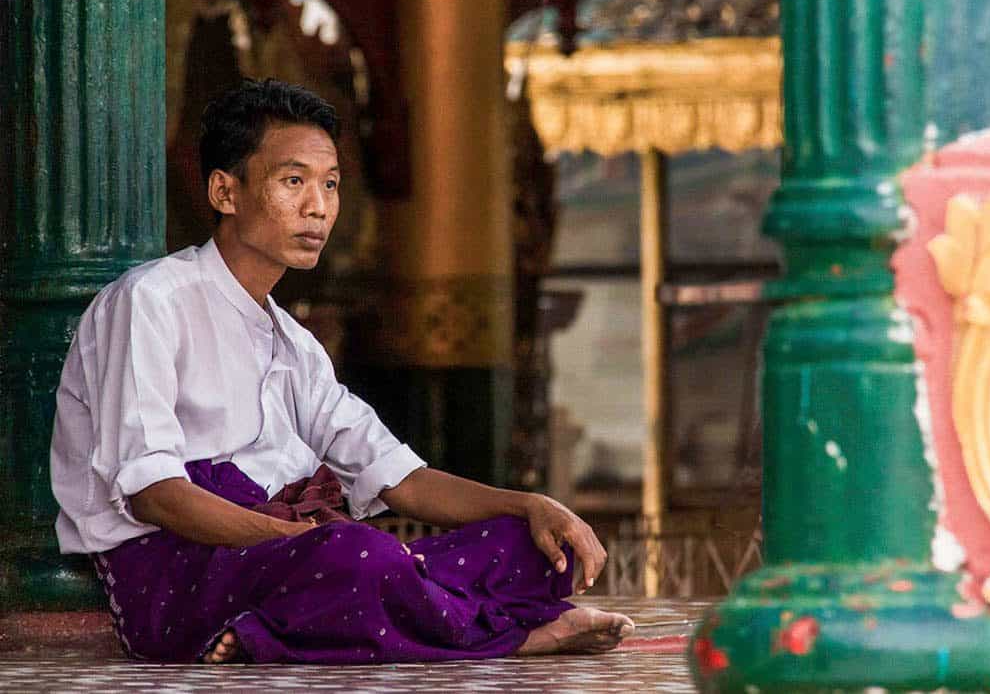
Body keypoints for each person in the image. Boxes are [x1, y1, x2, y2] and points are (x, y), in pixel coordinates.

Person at [49, 79, 634, 665]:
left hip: (293, 558)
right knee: (363, 560)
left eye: (330, 184)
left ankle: (281, 632)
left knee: (524, 548)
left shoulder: (295, 344)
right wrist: (306, 541)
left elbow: (399, 477)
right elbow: (156, 496)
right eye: (293, 181)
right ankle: (523, 635)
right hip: (175, 574)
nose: (318, 207)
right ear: (226, 192)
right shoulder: (151, 301)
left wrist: (528, 504)